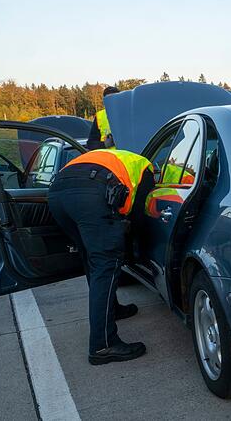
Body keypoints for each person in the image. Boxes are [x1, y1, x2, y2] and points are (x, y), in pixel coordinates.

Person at [48, 147, 155, 364]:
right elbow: (139, 215)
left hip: (57, 193)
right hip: (90, 193)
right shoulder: (145, 168)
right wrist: (132, 248)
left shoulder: (117, 158)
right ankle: (103, 344)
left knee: (92, 258)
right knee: (106, 263)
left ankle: (112, 309)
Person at [87, 86, 119, 150]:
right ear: (104, 101)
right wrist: (105, 144)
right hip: (108, 157)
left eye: (114, 99)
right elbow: (90, 144)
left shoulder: (127, 113)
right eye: (108, 100)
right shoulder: (100, 116)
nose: (112, 102)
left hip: (127, 157)